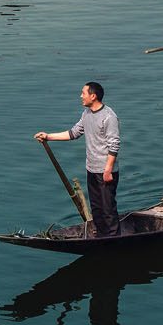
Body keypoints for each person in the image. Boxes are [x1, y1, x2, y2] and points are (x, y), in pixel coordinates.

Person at [35, 82, 121, 237]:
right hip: (92, 169)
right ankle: (102, 237)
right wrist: (48, 136)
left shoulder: (109, 117)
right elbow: (74, 133)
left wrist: (108, 170)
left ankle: (114, 238)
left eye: (83, 93)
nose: (81, 96)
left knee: (108, 208)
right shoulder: (86, 113)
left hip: (106, 171)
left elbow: (114, 145)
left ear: (93, 96)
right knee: (96, 207)